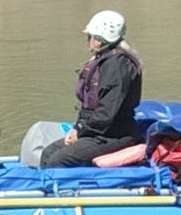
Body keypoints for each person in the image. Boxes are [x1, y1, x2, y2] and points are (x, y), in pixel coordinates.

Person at [40, 10, 146, 167]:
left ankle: (67, 189)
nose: (88, 40)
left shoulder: (117, 66)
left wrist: (80, 132)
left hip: (114, 135)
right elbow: (89, 110)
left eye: (90, 36)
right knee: (48, 153)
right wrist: (77, 128)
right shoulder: (104, 59)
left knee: (58, 160)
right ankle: (46, 187)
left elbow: (105, 114)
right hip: (97, 132)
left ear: (99, 39)